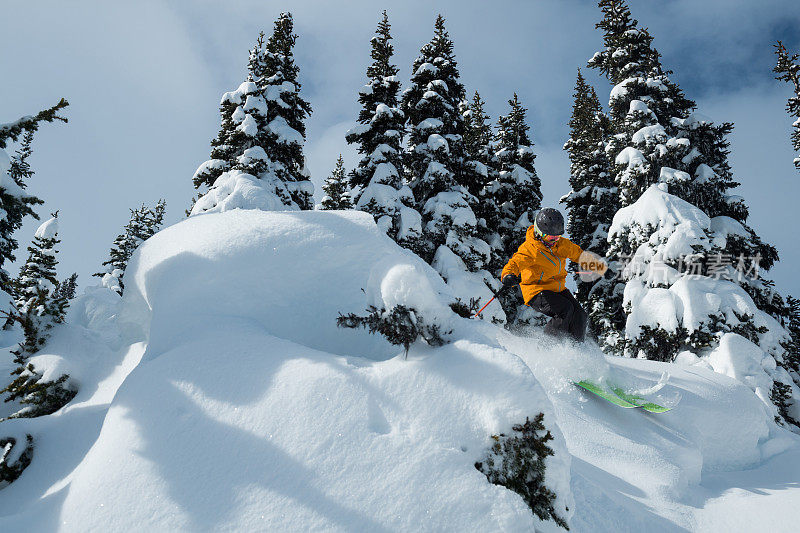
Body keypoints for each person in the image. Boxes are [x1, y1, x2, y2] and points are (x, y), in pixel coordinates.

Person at [501, 208, 607, 342]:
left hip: (557, 289)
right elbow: (515, 263)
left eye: (557, 236)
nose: (554, 240)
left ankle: (576, 348)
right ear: (539, 232)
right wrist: (508, 275)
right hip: (536, 290)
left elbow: (579, 255)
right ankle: (548, 347)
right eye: (550, 237)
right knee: (565, 310)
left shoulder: (561, 245)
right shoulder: (531, 249)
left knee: (580, 315)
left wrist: (600, 268)